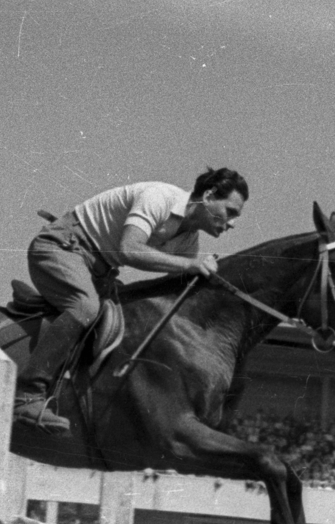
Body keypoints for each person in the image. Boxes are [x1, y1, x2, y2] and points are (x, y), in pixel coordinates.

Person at [14, 168, 249, 433]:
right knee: (85, 308)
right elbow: (129, 249)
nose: (232, 223)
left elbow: (177, 287)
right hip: (61, 247)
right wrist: (190, 264)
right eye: (230, 211)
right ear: (208, 196)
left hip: (99, 271)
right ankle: (26, 395)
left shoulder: (188, 240)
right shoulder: (160, 197)